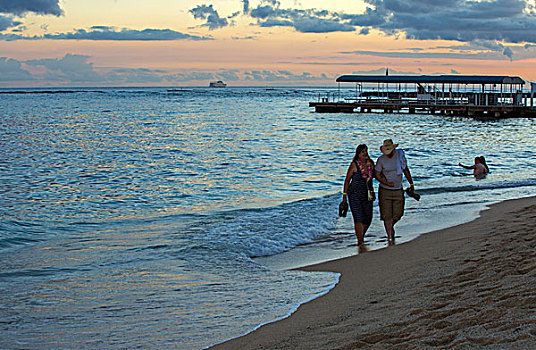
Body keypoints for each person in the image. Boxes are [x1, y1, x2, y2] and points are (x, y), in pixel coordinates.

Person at [341, 144, 382, 246]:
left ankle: (361, 236)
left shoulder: (371, 163)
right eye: (363, 152)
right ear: (358, 154)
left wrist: (387, 181)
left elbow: (377, 176)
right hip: (354, 194)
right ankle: (360, 241)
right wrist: (344, 197)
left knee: (368, 218)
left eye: (366, 151)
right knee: (358, 217)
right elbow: (347, 181)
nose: (365, 153)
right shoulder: (354, 165)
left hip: (368, 194)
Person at [375, 139, 415, 242]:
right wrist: (386, 182)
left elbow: (405, 169)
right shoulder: (381, 160)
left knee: (398, 214)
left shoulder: (399, 156)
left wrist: (411, 184)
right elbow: (377, 174)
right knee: (386, 215)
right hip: (385, 190)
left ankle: (390, 226)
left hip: (398, 189)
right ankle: (389, 236)